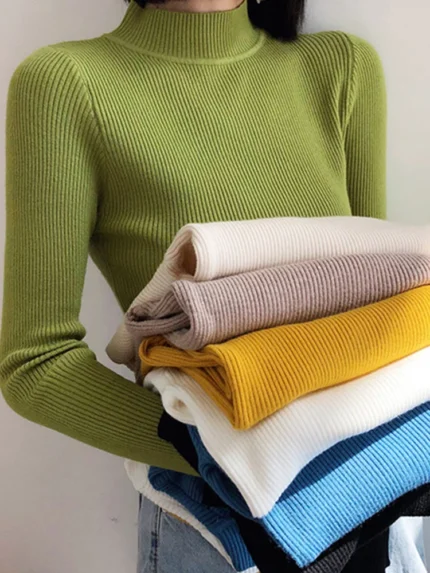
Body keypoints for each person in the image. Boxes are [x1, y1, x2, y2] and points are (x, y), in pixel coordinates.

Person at [1, 0, 422, 571]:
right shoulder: (68, 84)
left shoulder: (340, 68)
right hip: (213, 525)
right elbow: (34, 363)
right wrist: (223, 454)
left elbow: (382, 301)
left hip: (365, 494)